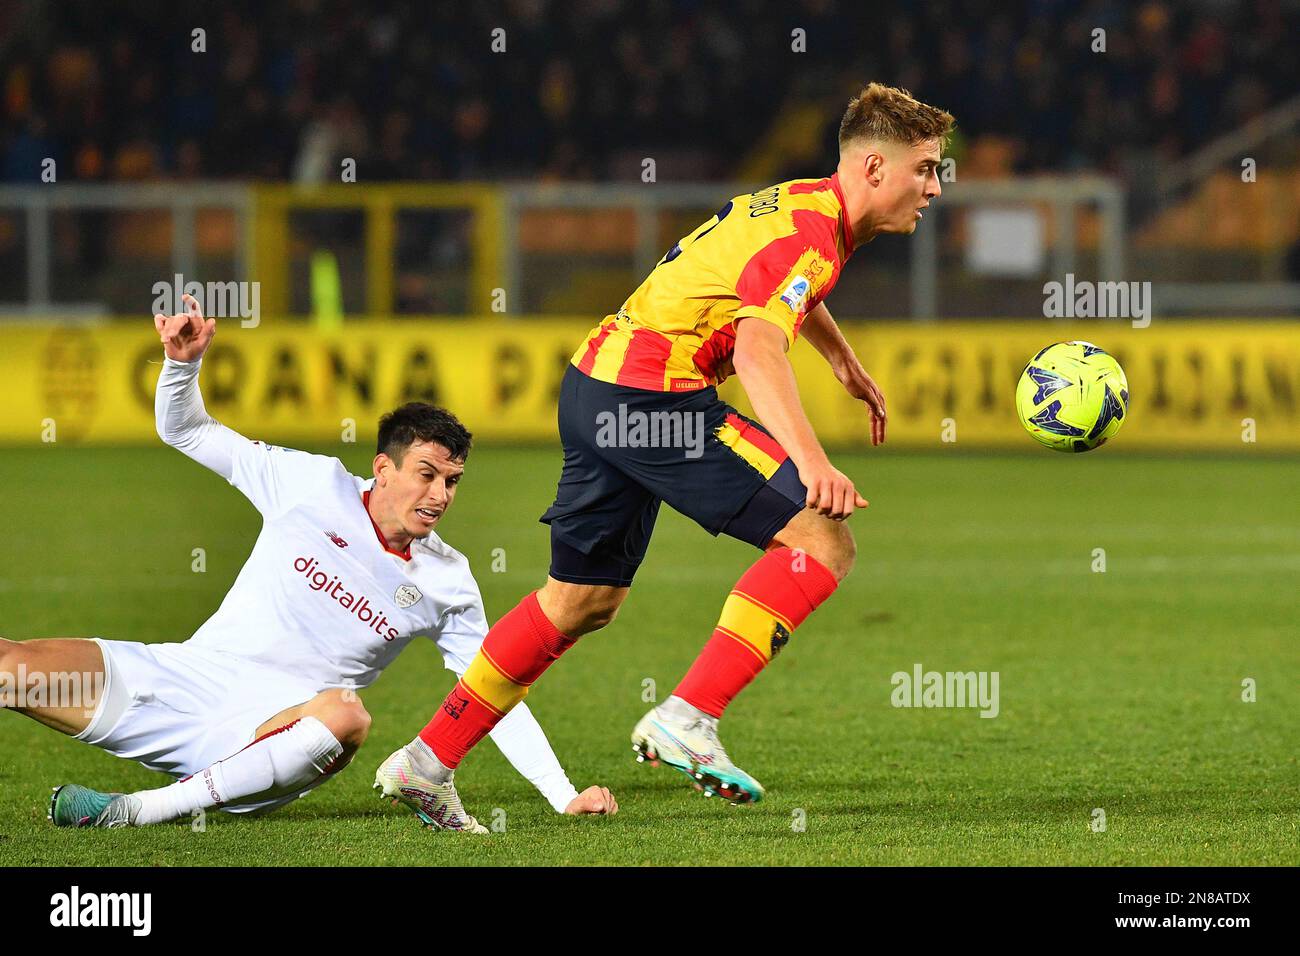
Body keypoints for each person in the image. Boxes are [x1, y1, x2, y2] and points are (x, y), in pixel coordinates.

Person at [377, 82, 954, 821]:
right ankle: (688, 718)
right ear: (874, 167)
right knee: (820, 538)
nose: (935, 187)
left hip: (595, 387)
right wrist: (810, 460)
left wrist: (840, 356)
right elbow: (756, 346)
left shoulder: (809, 205)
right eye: (926, 169)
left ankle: (426, 761)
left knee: (580, 602)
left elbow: (772, 288)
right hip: (655, 397)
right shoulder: (815, 235)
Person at [2, 294, 617, 832]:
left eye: (452, 481)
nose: (440, 495)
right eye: (427, 475)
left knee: (347, 713)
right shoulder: (309, 484)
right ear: (383, 469)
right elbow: (187, 430)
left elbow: (494, 688)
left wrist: (562, 795)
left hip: (278, 736)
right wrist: (181, 366)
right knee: (10, 667)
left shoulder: (447, 579)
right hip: (182, 680)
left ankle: (133, 810)